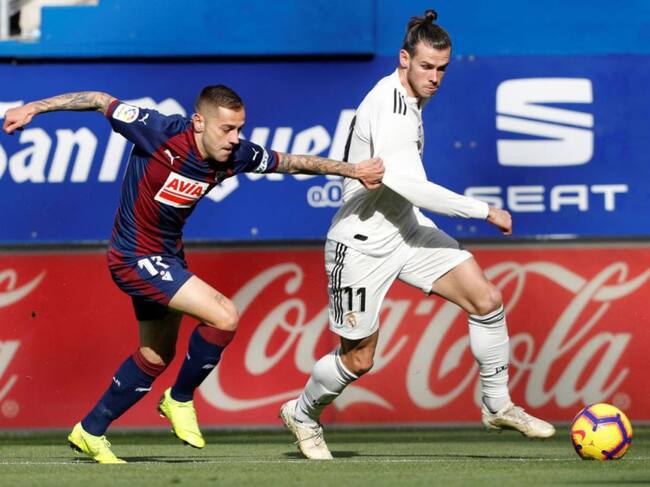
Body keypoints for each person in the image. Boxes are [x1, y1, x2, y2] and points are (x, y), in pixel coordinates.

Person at [2, 86, 384, 464]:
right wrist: (32, 107)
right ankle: (180, 398)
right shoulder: (159, 131)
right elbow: (100, 100)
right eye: (227, 129)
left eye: (240, 129)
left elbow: (291, 162)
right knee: (224, 315)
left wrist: (352, 170)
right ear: (199, 122)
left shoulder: (236, 155)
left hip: (167, 257)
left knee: (155, 355)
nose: (235, 138)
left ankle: (90, 430)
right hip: (133, 256)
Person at [279, 10, 556, 460]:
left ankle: (497, 404)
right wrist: (484, 210)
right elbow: (410, 186)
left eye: (442, 68)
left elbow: (404, 193)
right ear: (403, 59)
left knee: (486, 299)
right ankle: (302, 412)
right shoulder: (390, 107)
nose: (435, 77)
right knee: (359, 359)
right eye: (426, 66)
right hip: (361, 244)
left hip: (406, 230)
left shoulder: (411, 99)